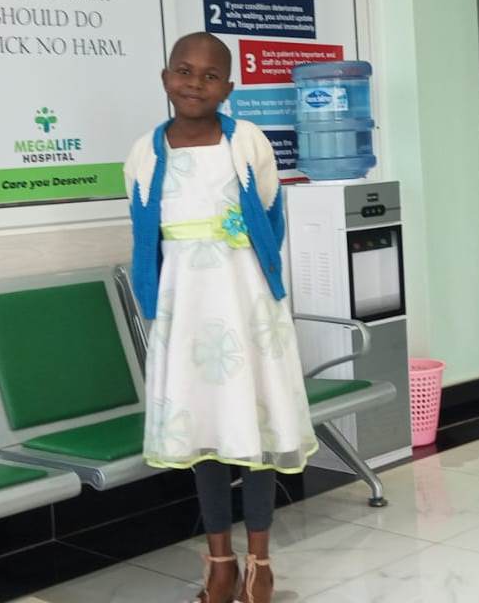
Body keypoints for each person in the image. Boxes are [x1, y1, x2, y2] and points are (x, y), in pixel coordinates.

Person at [124, 32, 318, 603]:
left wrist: (246, 270)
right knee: (203, 430)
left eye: (210, 76)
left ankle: (260, 562)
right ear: (165, 78)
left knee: (253, 425)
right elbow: (144, 235)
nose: (195, 84)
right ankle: (220, 563)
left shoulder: (247, 142)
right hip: (184, 309)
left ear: (228, 88)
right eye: (184, 71)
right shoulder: (144, 153)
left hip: (245, 304)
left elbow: (269, 216)